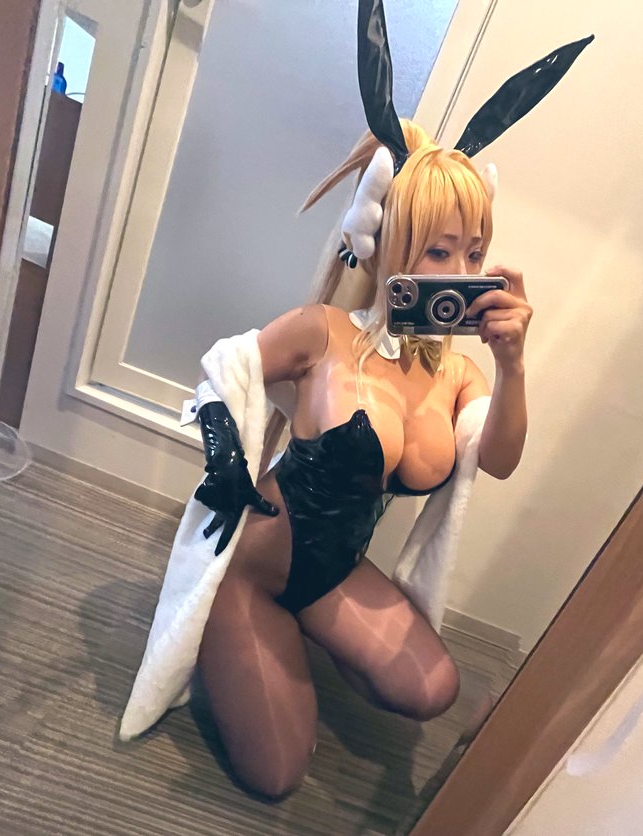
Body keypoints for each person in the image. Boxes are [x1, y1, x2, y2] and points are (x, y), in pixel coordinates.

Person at [192, 119, 531, 798]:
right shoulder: (323, 334)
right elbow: (222, 374)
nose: (460, 274)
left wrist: (513, 364)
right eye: (439, 251)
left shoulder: (458, 376)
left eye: (474, 253)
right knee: (277, 776)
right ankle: (229, 640)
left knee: (434, 689)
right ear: (390, 246)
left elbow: (498, 459)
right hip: (253, 568)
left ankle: (297, 640)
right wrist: (224, 458)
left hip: (336, 571)